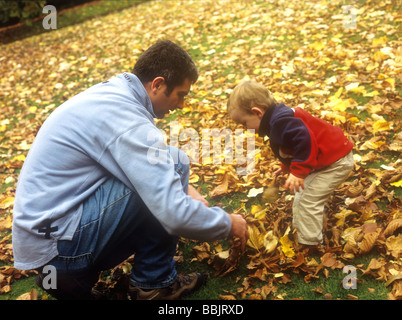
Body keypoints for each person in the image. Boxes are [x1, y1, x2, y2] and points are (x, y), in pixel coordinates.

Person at [12, 40, 249, 300]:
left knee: (168, 162)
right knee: (173, 165)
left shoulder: (113, 94)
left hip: (48, 236)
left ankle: (72, 280)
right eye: (180, 95)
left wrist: (185, 188)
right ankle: (154, 284)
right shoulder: (127, 120)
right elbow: (172, 212)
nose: (181, 105)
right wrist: (228, 223)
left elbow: (129, 161)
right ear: (157, 84)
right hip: (60, 246)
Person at [227, 80, 354, 250]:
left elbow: (306, 141)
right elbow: (292, 146)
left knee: (305, 200)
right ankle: (315, 218)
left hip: (336, 162)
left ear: (257, 112)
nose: (245, 129)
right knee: (306, 193)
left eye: (244, 123)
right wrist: (289, 167)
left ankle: (310, 243)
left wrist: (298, 172)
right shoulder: (276, 119)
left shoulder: (281, 121)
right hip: (330, 158)